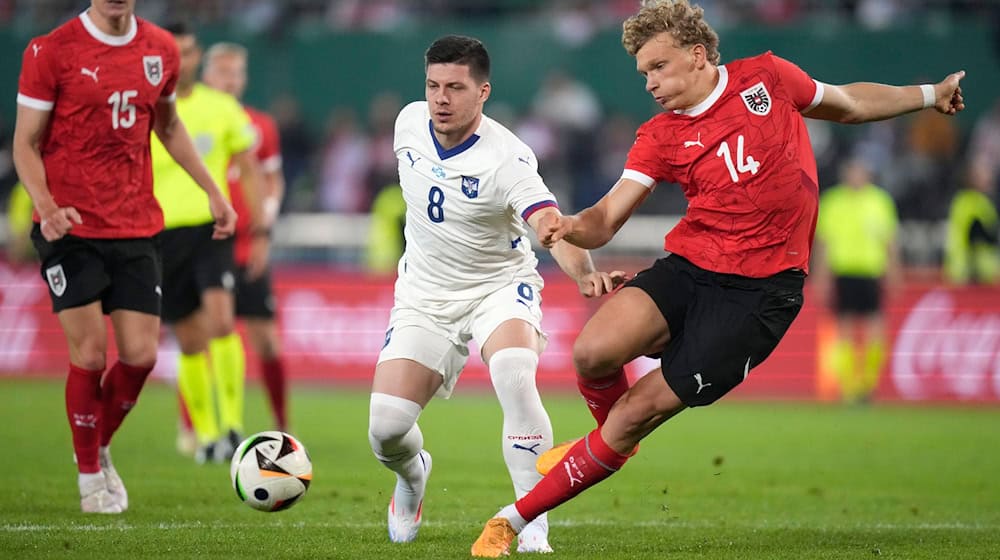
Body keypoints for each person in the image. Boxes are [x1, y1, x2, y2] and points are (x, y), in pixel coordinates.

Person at [471, 0, 965, 555]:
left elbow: (849, 104)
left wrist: (930, 94)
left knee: (634, 412)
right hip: (693, 266)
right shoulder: (659, 135)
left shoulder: (768, 78)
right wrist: (569, 227)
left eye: (658, 67)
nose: (650, 83)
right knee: (591, 353)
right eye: (643, 73)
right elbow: (605, 219)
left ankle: (511, 520)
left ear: (697, 55)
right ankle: (611, 442)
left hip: (759, 295)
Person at [369, 35, 624, 552]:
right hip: (424, 295)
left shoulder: (508, 158)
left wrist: (583, 272)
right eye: (433, 86)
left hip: (498, 288)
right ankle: (412, 478)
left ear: (483, 92)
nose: (441, 99)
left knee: (514, 372)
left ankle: (533, 520)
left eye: (455, 88)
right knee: (387, 429)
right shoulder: (408, 123)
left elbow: (549, 224)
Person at [12, 0, 236, 513]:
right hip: (69, 224)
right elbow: (25, 143)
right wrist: (46, 207)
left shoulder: (160, 48)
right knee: (91, 354)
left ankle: (96, 446)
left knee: (140, 356)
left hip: (136, 224)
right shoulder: (51, 51)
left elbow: (169, 126)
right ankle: (90, 477)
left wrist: (213, 190)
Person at [151, 22, 264, 464]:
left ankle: (233, 426)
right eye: (174, 52)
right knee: (189, 339)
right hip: (162, 232)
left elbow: (249, 168)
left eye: (189, 51)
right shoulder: (147, 108)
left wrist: (259, 230)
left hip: (211, 229)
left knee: (221, 320)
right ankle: (208, 436)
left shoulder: (221, 107)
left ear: (198, 56)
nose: (183, 60)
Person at [201, 41, 290, 433]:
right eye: (223, 72)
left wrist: (263, 229)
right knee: (200, 338)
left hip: (246, 243)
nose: (230, 80)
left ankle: (282, 422)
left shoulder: (260, 125)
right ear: (206, 75)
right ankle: (199, 428)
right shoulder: (189, 120)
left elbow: (272, 180)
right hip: (203, 243)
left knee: (267, 340)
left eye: (237, 73)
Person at [814, 159, 901, 403]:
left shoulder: (880, 201)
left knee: (876, 328)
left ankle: (868, 383)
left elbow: (890, 240)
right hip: (843, 272)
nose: (856, 176)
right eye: (852, 171)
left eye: (859, 172)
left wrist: (894, 271)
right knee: (844, 329)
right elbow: (823, 242)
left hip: (871, 271)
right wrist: (821, 276)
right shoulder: (833, 201)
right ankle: (850, 387)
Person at [944, 159, 999, 285]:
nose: (988, 178)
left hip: (979, 273)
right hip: (970, 272)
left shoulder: (980, 201)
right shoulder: (969, 203)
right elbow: (974, 236)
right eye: (983, 175)